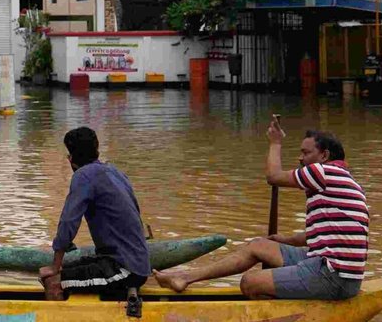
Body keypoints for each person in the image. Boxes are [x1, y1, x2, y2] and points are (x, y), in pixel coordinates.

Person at [152, 116, 366, 300]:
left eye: (305, 153)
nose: (300, 158)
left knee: (249, 283)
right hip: (328, 267)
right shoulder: (343, 180)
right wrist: (285, 240)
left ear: (324, 156)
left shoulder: (323, 172)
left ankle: (285, 310)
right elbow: (320, 235)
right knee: (258, 246)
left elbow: (273, 177)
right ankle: (185, 277)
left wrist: (275, 143)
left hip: (332, 276)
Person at [38, 127, 151, 304]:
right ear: (96, 151)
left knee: (52, 281)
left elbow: (68, 222)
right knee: (65, 271)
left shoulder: (83, 176)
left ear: (71, 159)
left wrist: (55, 266)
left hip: (125, 269)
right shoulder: (115, 172)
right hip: (135, 263)